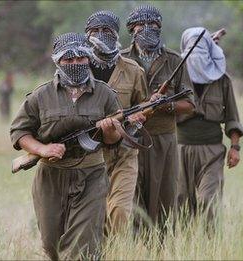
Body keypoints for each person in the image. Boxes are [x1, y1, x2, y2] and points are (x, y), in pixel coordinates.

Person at [9, 32, 122, 260]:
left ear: (89, 58)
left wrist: (110, 130)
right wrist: (42, 150)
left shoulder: (105, 94)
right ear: (58, 61)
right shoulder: (41, 95)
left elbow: (114, 139)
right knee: (52, 244)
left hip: (91, 176)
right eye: (68, 60)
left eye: (80, 58)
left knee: (84, 245)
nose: (75, 63)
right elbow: (19, 132)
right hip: (51, 176)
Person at [121, 5, 195, 228]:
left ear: (159, 27)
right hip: (128, 140)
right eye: (140, 25)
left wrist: (165, 105)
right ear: (131, 29)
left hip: (163, 141)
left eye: (152, 25)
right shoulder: (120, 60)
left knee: (164, 201)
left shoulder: (174, 60)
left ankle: (161, 248)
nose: (146, 29)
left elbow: (190, 105)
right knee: (131, 201)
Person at [176, 27, 243, 233]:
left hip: (212, 151)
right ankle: (185, 248)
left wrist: (235, 148)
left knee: (209, 200)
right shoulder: (175, 77)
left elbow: (233, 117)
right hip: (180, 149)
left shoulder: (222, 80)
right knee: (181, 204)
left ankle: (210, 247)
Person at [85, 10, 148, 234]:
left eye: (107, 30)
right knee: (94, 216)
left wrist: (137, 118)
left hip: (124, 154)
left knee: (120, 212)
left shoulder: (132, 70)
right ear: (86, 34)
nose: (101, 35)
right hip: (89, 156)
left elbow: (143, 106)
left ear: (116, 34)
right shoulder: (76, 69)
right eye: (95, 30)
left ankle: (117, 253)